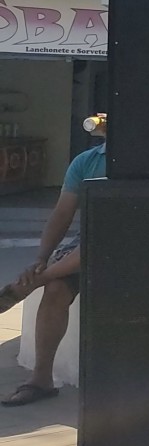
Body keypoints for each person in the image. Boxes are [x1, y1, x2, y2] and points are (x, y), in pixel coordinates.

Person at [0, 119, 108, 406]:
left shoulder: (145, 162)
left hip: (134, 240)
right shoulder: (86, 162)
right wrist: (40, 258)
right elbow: (62, 214)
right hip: (88, 241)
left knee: (93, 245)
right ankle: (41, 380)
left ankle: (33, 282)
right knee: (57, 288)